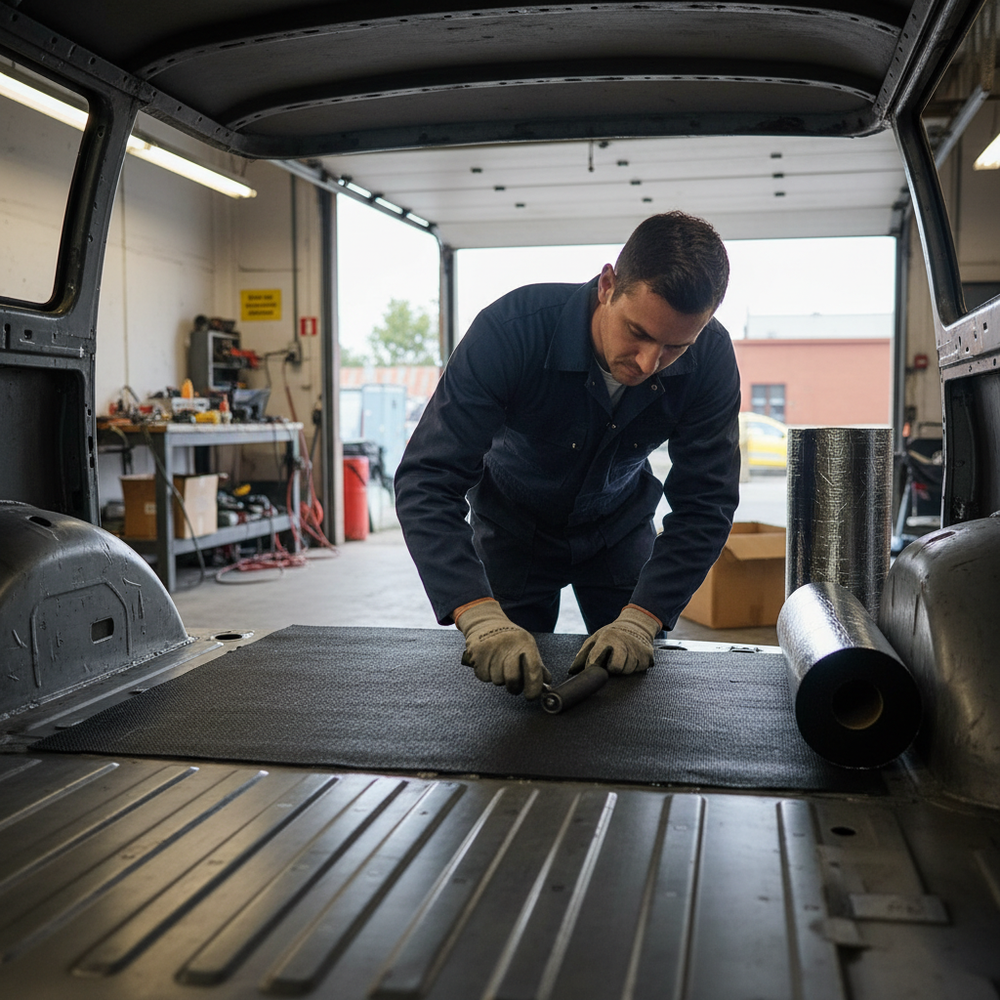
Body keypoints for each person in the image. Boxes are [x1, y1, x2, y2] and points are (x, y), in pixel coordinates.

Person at [394, 211, 740, 700]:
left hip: (618, 530)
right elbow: (427, 479)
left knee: (632, 693)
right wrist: (477, 612)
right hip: (512, 530)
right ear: (607, 285)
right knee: (507, 693)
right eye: (638, 332)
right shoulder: (510, 331)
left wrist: (644, 618)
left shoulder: (711, 358)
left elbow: (706, 503)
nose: (649, 363)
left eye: (674, 347)